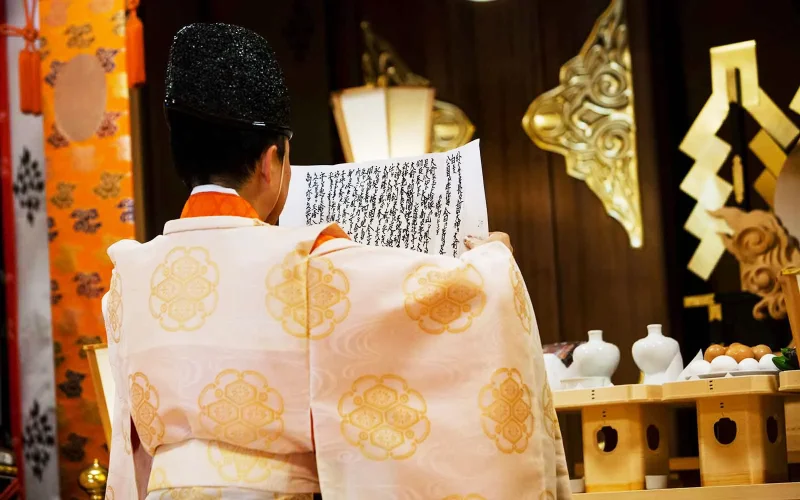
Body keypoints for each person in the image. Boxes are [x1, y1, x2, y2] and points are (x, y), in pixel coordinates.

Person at [103, 23, 570, 500]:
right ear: (269, 162)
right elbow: (455, 298)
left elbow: (130, 446)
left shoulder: (129, 276)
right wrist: (493, 261)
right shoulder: (307, 264)